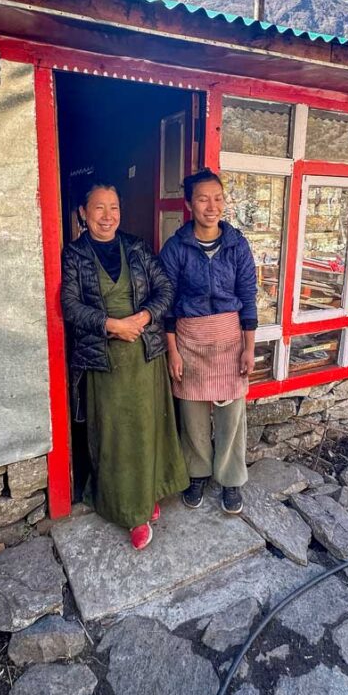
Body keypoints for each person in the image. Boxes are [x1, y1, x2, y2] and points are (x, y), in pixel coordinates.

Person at [61, 183, 189, 550]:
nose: (107, 215)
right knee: (116, 436)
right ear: (83, 213)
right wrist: (112, 324)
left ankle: (148, 494)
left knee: (147, 429)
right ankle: (130, 511)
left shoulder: (136, 248)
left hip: (145, 356)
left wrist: (144, 317)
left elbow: (165, 290)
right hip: (105, 361)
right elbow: (70, 306)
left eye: (113, 207)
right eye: (98, 208)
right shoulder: (75, 255)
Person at [159, 169, 257, 514]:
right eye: (202, 198)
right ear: (189, 204)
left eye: (217, 198)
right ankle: (197, 473)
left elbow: (248, 296)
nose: (211, 206)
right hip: (190, 341)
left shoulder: (236, 245)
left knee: (232, 416)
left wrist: (249, 346)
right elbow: (166, 303)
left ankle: (231, 479)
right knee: (193, 415)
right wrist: (172, 351)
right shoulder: (175, 248)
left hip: (230, 339)